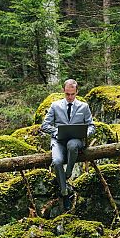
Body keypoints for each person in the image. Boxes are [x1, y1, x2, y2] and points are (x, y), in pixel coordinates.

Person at [41, 79, 96, 210]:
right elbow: (45, 125)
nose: (70, 97)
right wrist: (57, 132)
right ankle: (64, 192)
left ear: (77, 92)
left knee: (72, 145)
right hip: (58, 140)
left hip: (76, 140)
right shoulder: (55, 105)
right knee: (57, 161)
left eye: (72, 94)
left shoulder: (84, 106)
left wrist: (84, 133)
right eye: (67, 94)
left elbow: (92, 126)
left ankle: (68, 172)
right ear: (63, 92)